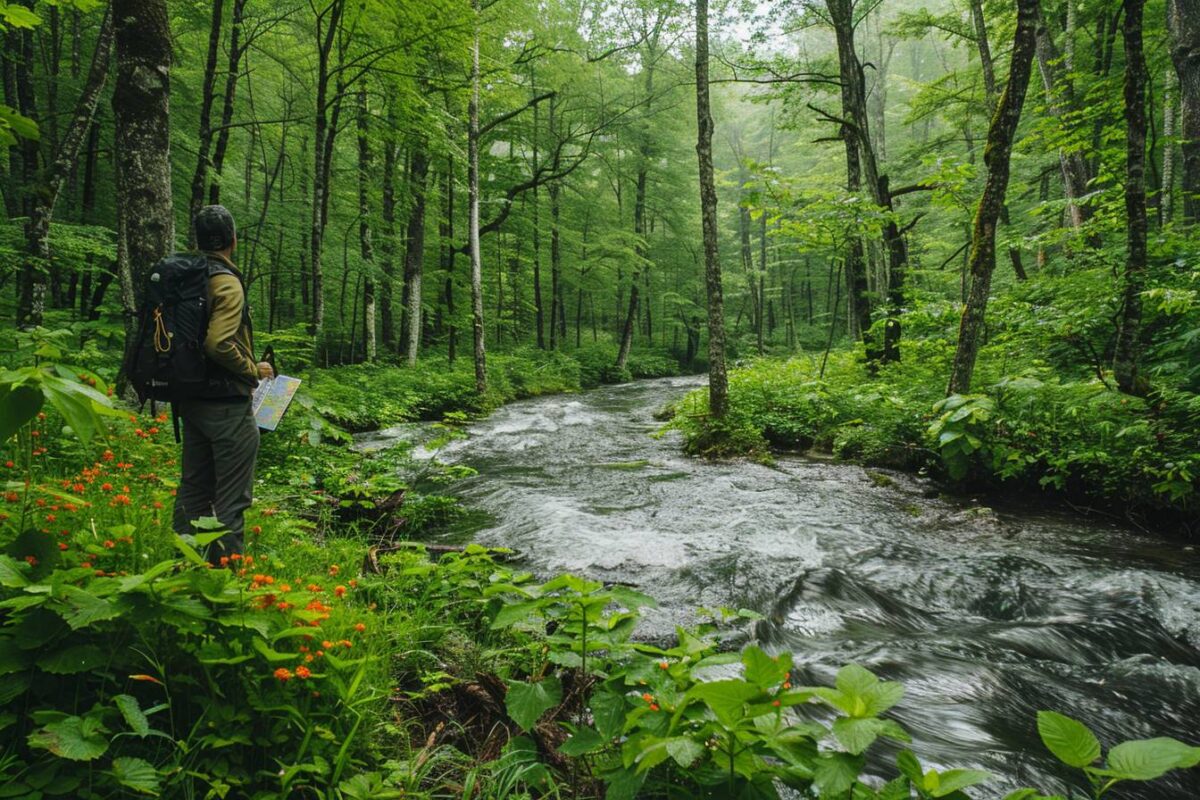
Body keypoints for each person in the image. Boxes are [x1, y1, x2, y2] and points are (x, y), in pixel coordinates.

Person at [171, 205, 274, 564]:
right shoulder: (225, 280)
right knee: (232, 500)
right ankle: (227, 583)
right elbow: (217, 343)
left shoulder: (187, 276)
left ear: (198, 240)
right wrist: (250, 372)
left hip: (191, 399)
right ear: (233, 240)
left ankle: (184, 569)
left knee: (194, 491)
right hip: (227, 406)